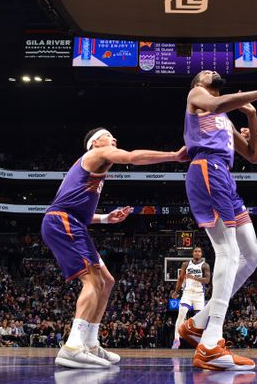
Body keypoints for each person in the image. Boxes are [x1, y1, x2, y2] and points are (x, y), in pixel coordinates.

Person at [177, 70, 257, 371]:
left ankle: (198, 323)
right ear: (198, 84)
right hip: (207, 169)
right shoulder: (197, 98)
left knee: (253, 256)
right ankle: (209, 344)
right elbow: (218, 105)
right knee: (228, 253)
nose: (212, 72)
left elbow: (254, 155)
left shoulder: (227, 118)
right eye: (205, 72)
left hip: (226, 178)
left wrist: (253, 116)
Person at [44, 126, 188, 369]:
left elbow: (76, 209)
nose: (115, 138)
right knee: (92, 282)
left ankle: (90, 343)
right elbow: (132, 157)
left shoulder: (89, 170)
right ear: (95, 143)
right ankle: (72, 346)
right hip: (62, 222)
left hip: (72, 221)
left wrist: (104, 219)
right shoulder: (94, 155)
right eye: (109, 135)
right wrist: (174, 155)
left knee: (107, 281)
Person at [171, 247, 211, 349]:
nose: (197, 253)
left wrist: (194, 277)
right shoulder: (186, 264)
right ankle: (176, 339)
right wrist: (176, 291)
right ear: (193, 253)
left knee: (200, 320)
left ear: (201, 254)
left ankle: (201, 342)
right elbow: (180, 278)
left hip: (199, 295)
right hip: (187, 293)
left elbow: (207, 280)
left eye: (199, 251)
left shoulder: (205, 265)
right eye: (195, 251)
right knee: (182, 313)